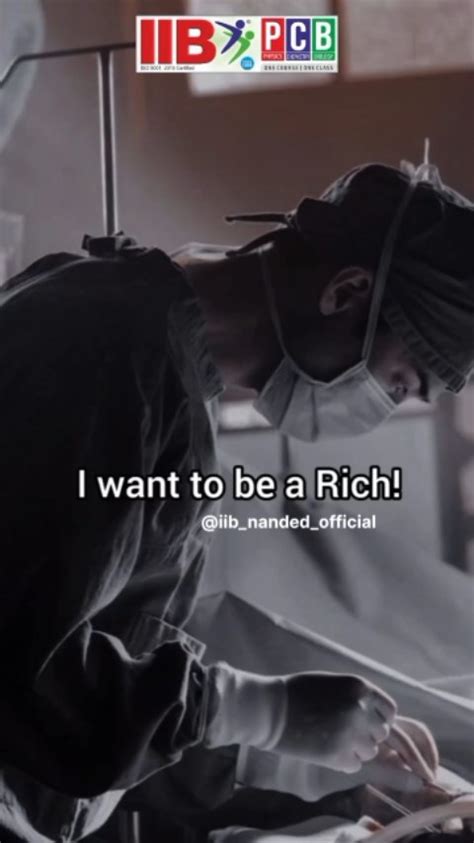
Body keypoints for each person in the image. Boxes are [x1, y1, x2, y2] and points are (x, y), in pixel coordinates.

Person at [0, 161, 472, 842]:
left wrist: (304, 776)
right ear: (346, 293)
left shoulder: (165, 368)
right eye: (399, 383)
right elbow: (27, 673)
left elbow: (100, 716)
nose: (385, 408)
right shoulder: (103, 349)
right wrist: (253, 709)